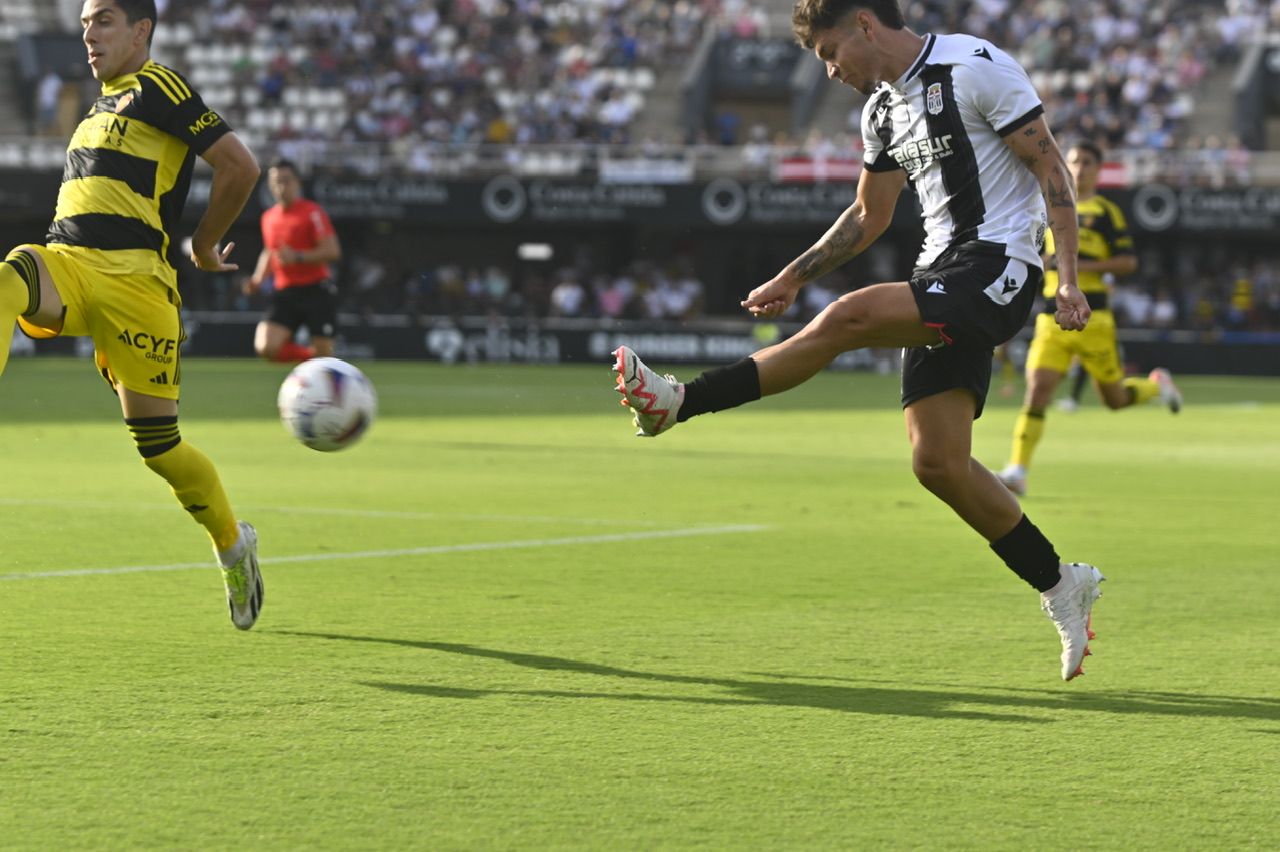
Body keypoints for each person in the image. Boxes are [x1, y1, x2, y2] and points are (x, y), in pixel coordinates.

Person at [613, 0, 1104, 681]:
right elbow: (869, 215)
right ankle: (1061, 582)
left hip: (999, 269)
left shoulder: (974, 66)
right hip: (940, 276)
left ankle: (680, 402)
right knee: (936, 463)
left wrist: (1067, 277)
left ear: (866, 24)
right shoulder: (881, 110)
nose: (831, 71)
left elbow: (1051, 166)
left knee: (847, 318)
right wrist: (791, 273)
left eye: (831, 53)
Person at [0, 0, 264, 629]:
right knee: (9, 276)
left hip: (138, 286)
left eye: (105, 20)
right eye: (86, 22)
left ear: (141, 30)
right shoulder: (93, 107)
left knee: (160, 449)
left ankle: (232, 544)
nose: (88, 33)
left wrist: (200, 247)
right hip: (69, 264)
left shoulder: (157, 86)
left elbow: (240, 166)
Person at [997, 141, 1181, 496]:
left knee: (1114, 399)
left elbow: (1128, 262)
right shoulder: (1044, 205)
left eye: (1086, 163)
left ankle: (1157, 386)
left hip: (1094, 319)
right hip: (1051, 320)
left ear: (1098, 169)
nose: (1079, 169)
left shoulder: (1107, 212)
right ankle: (1017, 470)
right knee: (1037, 391)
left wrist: (1079, 265)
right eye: (1073, 162)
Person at [243, 158, 342, 363]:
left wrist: (298, 256)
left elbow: (332, 251)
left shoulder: (312, 212)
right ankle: (313, 360)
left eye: (286, 181)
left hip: (316, 290)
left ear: (297, 183)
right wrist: (258, 279)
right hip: (286, 292)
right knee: (266, 347)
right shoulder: (268, 217)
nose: (280, 187)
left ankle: (321, 364)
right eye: (275, 182)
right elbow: (270, 251)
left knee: (325, 353)